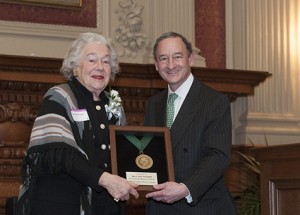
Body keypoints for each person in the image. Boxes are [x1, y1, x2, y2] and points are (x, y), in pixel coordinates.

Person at [16, 32, 139, 215]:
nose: (100, 67)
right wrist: (105, 179)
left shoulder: (114, 102)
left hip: (105, 205)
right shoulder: (60, 96)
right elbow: (60, 154)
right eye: (92, 60)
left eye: (105, 62)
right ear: (75, 66)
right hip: (62, 204)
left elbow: (123, 153)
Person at [144, 32, 236, 214]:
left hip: (201, 206)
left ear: (191, 59)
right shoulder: (154, 104)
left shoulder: (214, 101)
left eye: (177, 57)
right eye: (163, 58)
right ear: (156, 65)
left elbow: (218, 156)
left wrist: (185, 188)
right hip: (160, 207)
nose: (171, 65)